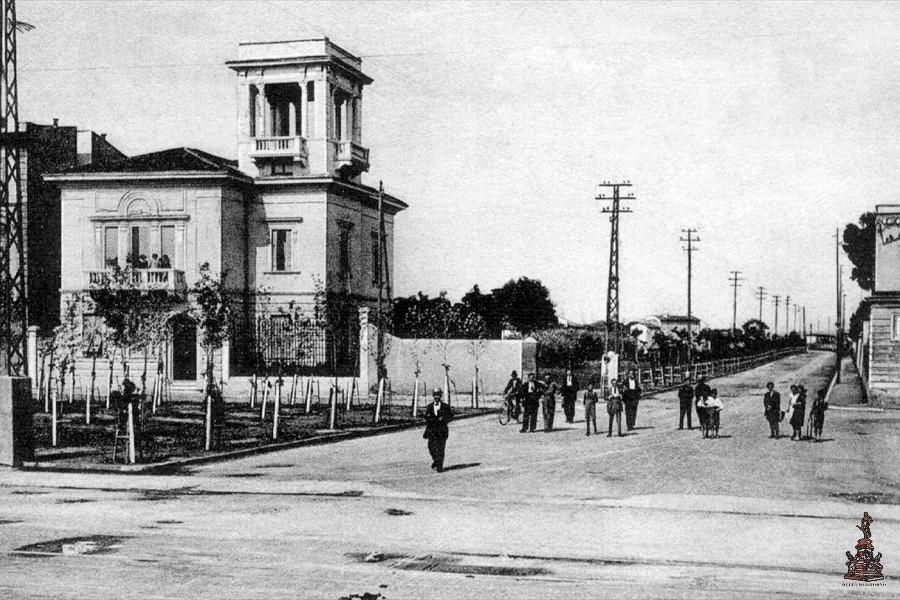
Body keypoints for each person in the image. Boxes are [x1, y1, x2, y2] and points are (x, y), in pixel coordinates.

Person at [423, 388, 453, 472]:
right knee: (431, 448)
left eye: (438, 395)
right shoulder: (429, 406)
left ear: (440, 396)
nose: (437, 397)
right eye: (435, 395)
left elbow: (450, 416)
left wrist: (443, 418)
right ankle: (436, 461)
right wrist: (428, 418)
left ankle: (439, 466)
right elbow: (426, 417)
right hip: (432, 431)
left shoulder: (445, 406)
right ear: (433, 396)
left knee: (440, 449)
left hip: (441, 431)